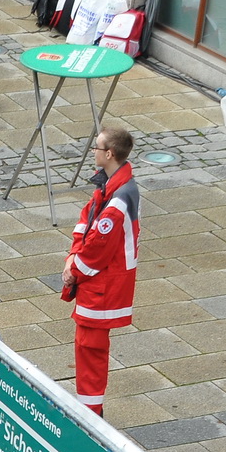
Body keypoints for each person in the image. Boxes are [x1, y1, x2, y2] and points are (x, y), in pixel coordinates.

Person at [61, 125, 137, 415]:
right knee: (86, 346)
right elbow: (87, 218)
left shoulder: (118, 197)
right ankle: (89, 407)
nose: (93, 151)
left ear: (109, 154)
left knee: (90, 348)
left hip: (102, 284)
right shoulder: (111, 185)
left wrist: (74, 269)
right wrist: (73, 254)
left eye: (97, 147)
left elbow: (98, 248)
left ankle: (91, 412)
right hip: (99, 280)